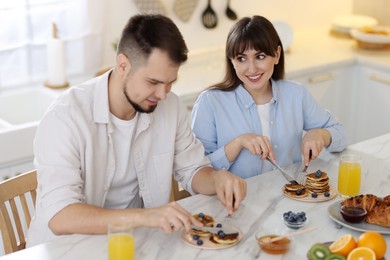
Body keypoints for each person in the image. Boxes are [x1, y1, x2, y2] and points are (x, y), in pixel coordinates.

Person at [27, 14, 247, 247]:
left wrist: (217, 179)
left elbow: (193, 170)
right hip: (68, 249)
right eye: (153, 82)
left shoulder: (170, 106)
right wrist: (146, 217)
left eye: (170, 82)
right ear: (123, 65)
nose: (163, 94)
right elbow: (61, 216)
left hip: (135, 243)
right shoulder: (65, 117)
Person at [191, 15, 347, 179]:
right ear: (232, 61)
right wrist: (237, 144)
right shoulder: (210, 102)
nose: (251, 69)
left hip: (290, 197)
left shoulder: (296, 94)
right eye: (241, 58)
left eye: (260, 57)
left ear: (277, 54)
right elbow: (196, 171)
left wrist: (321, 135)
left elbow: (341, 136)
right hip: (235, 202)